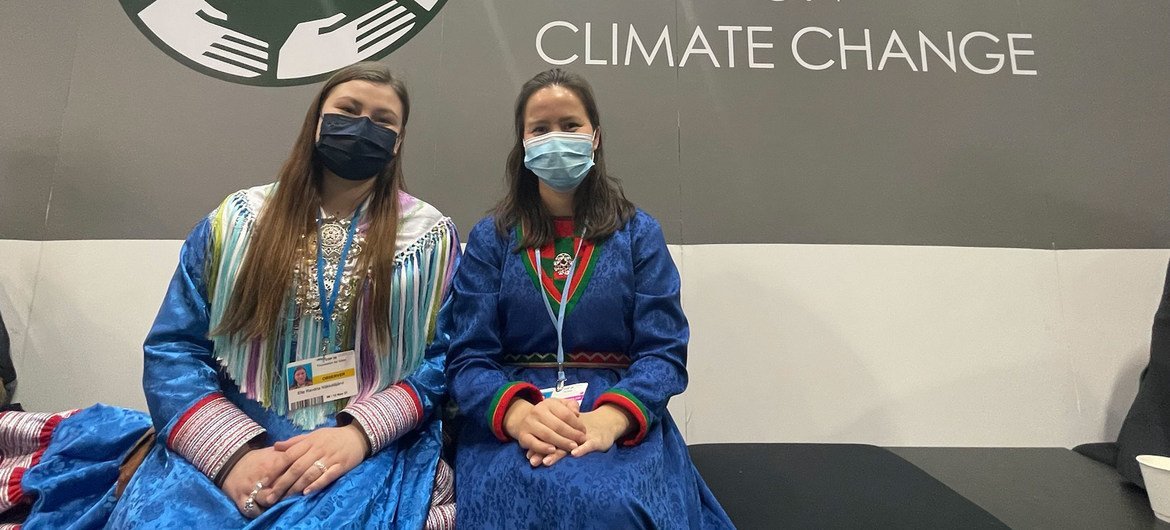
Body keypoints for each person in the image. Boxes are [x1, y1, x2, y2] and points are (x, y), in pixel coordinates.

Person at [0, 62, 458, 529]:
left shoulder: (430, 240)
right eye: (349, 110)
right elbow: (175, 347)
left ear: (398, 142)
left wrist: (356, 437)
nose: (364, 127)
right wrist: (232, 457)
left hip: (359, 437)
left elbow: (441, 361)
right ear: (317, 120)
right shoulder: (236, 222)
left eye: (383, 121)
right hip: (234, 421)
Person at [446, 68, 734, 528]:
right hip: (515, 415)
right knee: (514, 503)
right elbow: (466, 356)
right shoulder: (491, 239)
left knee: (613, 506)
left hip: (615, 411)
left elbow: (664, 353)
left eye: (570, 125)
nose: (555, 137)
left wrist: (612, 420)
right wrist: (518, 415)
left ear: (595, 136)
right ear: (523, 146)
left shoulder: (639, 235)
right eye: (540, 129)